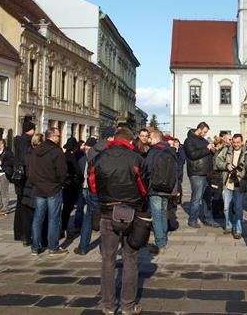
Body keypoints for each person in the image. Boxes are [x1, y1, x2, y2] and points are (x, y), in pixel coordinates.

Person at [90, 128, 146, 315]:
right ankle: (128, 306)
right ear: (130, 141)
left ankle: (108, 305)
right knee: (130, 258)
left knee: (108, 259)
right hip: (131, 210)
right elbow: (144, 186)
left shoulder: (99, 158)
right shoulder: (136, 158)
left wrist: (105, 198)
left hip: (107, 210)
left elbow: (93, 185)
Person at [28, 128, 68, 256]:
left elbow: (31, 170)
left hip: (39, 188)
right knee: (54, 219)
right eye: (58, 135)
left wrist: (36, 183)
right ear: (53, 137)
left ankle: (35, 247)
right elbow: (62, 172)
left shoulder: (36, 150)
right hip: (53, 188)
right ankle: (53, 247)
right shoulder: (56, 151)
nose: (59, 138)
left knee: (38, 218)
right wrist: (61, 183)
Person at [145, 130, 178, 254]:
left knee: (157, 216)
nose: (149, 140)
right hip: (168, 188)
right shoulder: (171, 151)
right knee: (164, 214)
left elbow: (147, 169)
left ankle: (160, 245)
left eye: (150, 138)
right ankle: (163, 239)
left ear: (154, 138)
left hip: (155, 188)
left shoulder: (153, 151)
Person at [184, 122, 216, 228]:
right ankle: (192, 220)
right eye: (205, 132)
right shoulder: (189, 140)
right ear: (200, 129)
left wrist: (212, 150)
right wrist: (207, 149)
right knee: (197, 197)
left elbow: (207, 153)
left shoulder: (204, 140)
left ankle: (209, 219)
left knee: (207, 198)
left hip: (207, 173)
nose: (205, 134)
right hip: (196, 172)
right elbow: (193, 155)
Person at [216, 133, 246, 239]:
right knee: (226, 207)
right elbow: (217, 161)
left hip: (240, 184)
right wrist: (226, 165)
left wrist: (239, 172)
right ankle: (228, 225)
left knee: (238, 208)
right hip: (227, 183)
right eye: (234, 142)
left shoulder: (246, 153)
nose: (236, 144)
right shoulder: (227, 150)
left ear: (242, 142)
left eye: (238, 142)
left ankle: (238, 230)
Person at [74, 137, 98, 256]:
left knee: (86, 214)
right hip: (93, 189)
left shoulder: (83, 158)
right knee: (96, 216)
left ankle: (83, 246)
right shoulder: (97, 158)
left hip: (84, 188)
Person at [13, 121, 35, 244]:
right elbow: (25, 161)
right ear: (30, 130)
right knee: (24, 207)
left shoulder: (19, 141)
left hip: (18, 178)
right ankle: (23, 233)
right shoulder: (25, 143)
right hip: (24, 178)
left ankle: (19, 232)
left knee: (20, 205)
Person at [62, 137, 83, 239]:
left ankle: (63, 228)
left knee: (65, 207)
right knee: (68, 207)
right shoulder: (71, 156)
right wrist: (81, 179)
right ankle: (63, 228)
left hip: (64, 183)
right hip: (71, 183)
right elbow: (78, 171)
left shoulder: (63, 155)